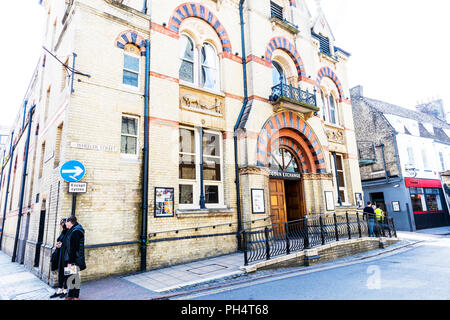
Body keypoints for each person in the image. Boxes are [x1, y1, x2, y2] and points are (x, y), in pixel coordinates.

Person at [62, 215, 86, 300]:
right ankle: (70, 294)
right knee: (71, 277)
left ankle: (76, 296)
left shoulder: (76, 231)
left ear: (70, 222)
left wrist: (70, 262)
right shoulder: (73, 230)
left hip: (74, 259)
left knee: (74, 278)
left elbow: (74, 248)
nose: (65, 224)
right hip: (71, 258)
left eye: (66, 223)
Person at [50, 218, 69, 299]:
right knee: (61, 272)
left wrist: (62, 245)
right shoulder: (63, 232)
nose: (62, 224)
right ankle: (60, 289)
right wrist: (58, 245)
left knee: (67, 273)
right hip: (60, 256)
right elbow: (60, 241)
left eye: (63, 223)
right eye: (61, 223)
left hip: (67, 257)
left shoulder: (70, 232)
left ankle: (65, 290)